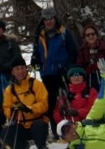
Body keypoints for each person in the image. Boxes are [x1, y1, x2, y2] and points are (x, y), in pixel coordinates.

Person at [31, 7, 78, 140]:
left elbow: (73, 51)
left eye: (51, 18)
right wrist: (34, 60)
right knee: (50, 103)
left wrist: (68, 67)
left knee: (66, 101)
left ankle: (71, 129)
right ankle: (56, 130)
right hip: (47, 73)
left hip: (62, 72)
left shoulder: (64, 32)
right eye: (46, 19)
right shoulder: (39, 34)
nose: (48, 21)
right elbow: (36, 52)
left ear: (55, 18)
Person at [2, 59, 50, 149]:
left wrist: (29, 108)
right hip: (21, 124)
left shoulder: (36, 84)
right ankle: (20, 148)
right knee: (6, 132)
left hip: (37, 122)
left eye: (22, 68)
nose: (20, 71)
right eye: (17, 69)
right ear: (12, 72)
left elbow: (44, 104)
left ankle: (41, 147)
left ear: (26, 69)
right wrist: (12, 111)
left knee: (39, 125)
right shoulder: (9, 89)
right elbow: (6, 108)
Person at [76, 23, 105, 90]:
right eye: (87, 35)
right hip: (88, 85)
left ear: (97, 35)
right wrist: (89, 69)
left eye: (93, 34)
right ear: (84, 37)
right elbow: (79, 67)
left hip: (104, 83)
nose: (91, 36)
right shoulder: (82, 51)